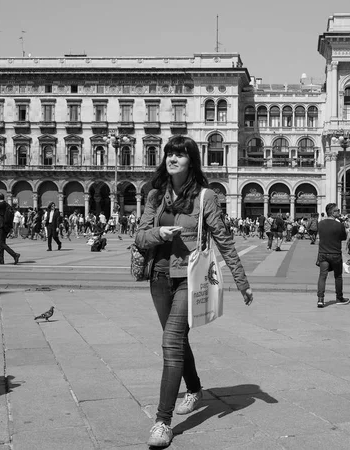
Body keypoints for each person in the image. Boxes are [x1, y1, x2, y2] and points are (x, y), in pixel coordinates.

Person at [134, 135, 254, 448]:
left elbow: (224, 240)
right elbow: (140, 237)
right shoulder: (155, 195)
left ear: (191, 161)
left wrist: (241, 281)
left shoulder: (206, 197)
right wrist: (158, 233)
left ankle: (162, 421)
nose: (173, 159)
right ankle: (196, 387)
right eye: (169, 154)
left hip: (190, 278)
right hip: (159, 277)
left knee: (170, 341)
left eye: (180, 154)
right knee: (178, 340)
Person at [315, 203, 349, 308]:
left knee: (322, 276)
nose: (339, 212)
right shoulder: (339, 225)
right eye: (337, 210)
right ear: (333, 212)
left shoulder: (320, 223)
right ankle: (339, 297)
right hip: (335, 254)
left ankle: (320, 299)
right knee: (338, 276)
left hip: (323, 254)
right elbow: (343, 237)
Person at [0, 192, 20, 265]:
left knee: (1, 243)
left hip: (1, 224)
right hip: (6, 225)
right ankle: (1, 259)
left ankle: (14, 254)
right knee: (1, 243)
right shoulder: (6, 204)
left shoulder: (0, 204)